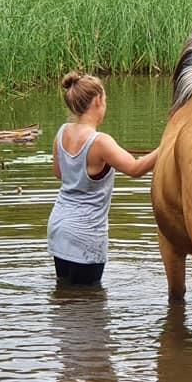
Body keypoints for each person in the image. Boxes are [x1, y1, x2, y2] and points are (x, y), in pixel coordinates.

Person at [47, 71, 159, 286]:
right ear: (98, 100)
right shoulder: (100, 142)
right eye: (105, 99)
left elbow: (59, 173)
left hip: (59, 228)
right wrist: (171, 143)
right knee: (89, 305)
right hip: (86, 235)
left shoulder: (62, 132)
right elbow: (135, 169)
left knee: (64, 298)